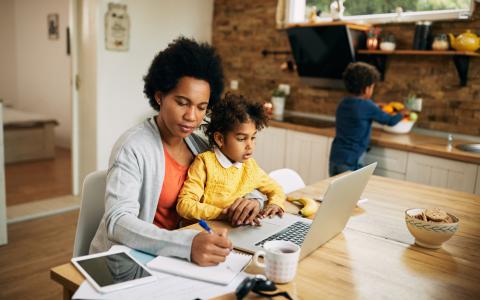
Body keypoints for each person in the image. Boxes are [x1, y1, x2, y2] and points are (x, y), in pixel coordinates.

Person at [89, 37, 265, 266]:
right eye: (182, 103)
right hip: (133, 261)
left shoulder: (201, 147)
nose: (192, 116)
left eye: (202, 107)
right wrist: (186, 244)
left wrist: (253, 201)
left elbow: (245, 177)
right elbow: (118, 221)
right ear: (160, 96)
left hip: (182, 259)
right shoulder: (132, 147)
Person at [176, 93, 285, 225]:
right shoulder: (205, 162)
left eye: (253, 138)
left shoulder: (250, 167)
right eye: (241, 139)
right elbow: (184, 205)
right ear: (220, 139)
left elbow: (276, 189)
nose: (250, 145)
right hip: (202, 231)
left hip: (233, 229)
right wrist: (224, 213)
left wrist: (274, 204)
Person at [329, 62, 403, 177]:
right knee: (351, 193)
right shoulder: (368, 106)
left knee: (335, 192)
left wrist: (376, 106)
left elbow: (360, 109)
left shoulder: (343, 103)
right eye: (373, 87)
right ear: (366, 89)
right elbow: (390, 121)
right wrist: (403, 113)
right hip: (352, 161)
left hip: (335, 158)